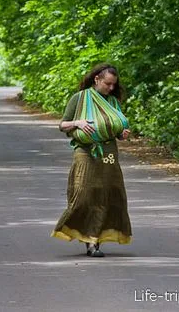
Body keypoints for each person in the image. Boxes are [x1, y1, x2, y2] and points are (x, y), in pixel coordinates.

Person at [51, 63, 132, 257]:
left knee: (107, 193)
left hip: (109, 150)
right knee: (84, 192)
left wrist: (123, 134)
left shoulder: (112, 102)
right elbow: (62, 125)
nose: (111, 88)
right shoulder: (79, 99)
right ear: (97, 79)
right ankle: (75, 228)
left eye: (113, 85)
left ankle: (93, 241)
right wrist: (77, 122)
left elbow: (115, 128)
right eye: (107, 84)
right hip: (85, 151)